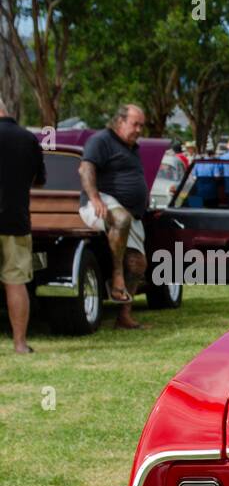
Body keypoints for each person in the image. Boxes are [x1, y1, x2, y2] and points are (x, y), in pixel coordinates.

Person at [78, 103, 148, 328]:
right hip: (100, 204)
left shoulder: (131, 147)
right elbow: (86, 169)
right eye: (135, 124)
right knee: (120, 219)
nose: (139, 129)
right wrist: (95, 198)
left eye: (141, 126)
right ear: (119, 121)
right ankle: (117, 278)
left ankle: (124, 315)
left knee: (138, 264)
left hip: (130, 212)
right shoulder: (101, 140)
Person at [0, 96, 45, 354]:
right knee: (15, 282)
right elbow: (39, 180)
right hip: (15, 220)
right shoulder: (28, 138)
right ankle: (20, 344)